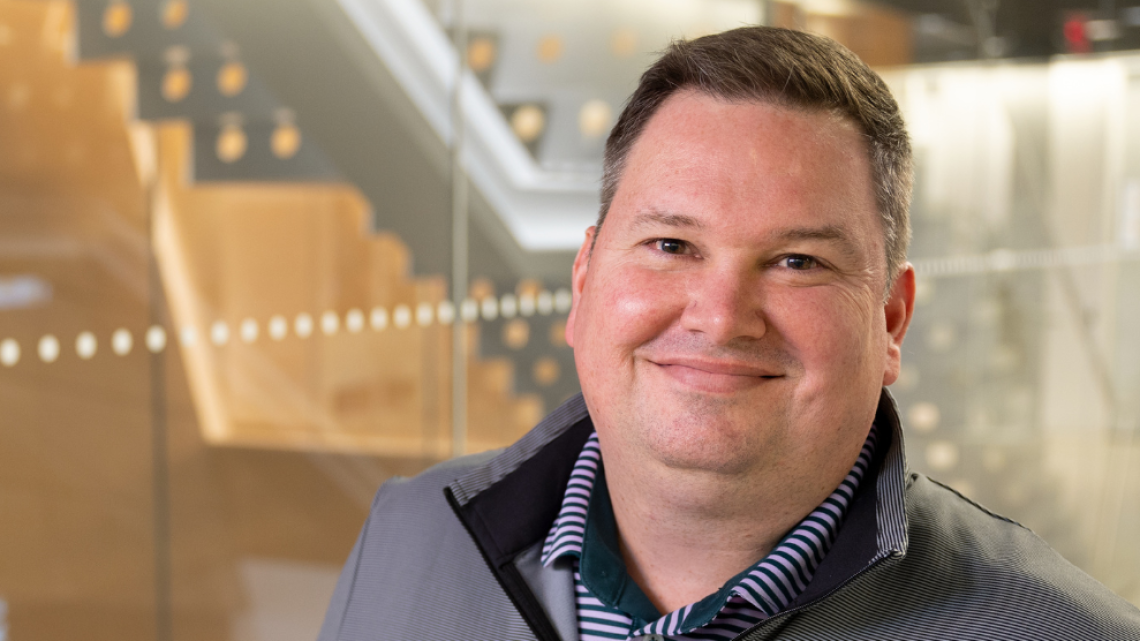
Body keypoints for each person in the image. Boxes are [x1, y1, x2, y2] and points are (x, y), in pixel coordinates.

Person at [318, 26, 1140, 641]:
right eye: (671, 245)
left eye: (797, 261)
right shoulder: (408, 535)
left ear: (891, 318)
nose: (719, 316)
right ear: (584, 281)